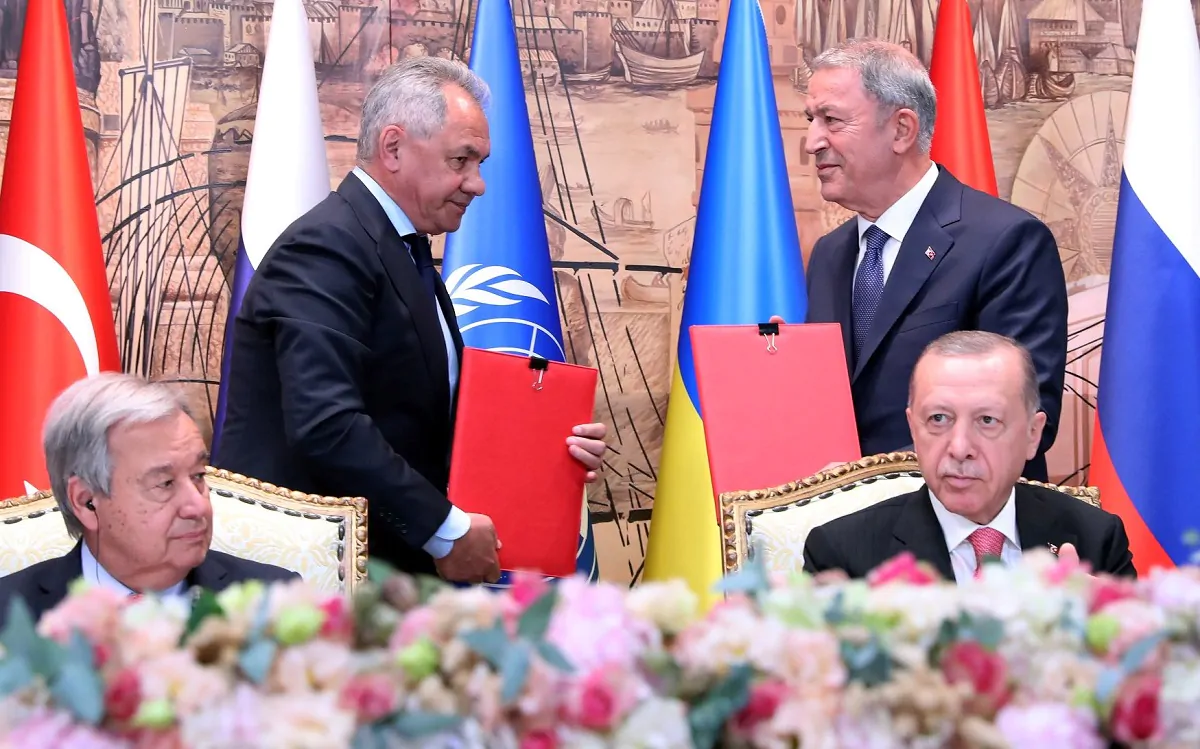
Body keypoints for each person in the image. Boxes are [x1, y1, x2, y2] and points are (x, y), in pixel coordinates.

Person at [214, 56, 608, 584]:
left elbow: (422, 415)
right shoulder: (327, 246)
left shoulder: (400, 248)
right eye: (461, 160)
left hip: (381, 583)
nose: (477, 184)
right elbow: (326, 424)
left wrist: (549, 448)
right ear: (394, 147)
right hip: (312, 590)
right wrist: (445, 531)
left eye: (479, 163)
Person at [801, 39, 1067, 481]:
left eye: (831, 120)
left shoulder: (1007, 241)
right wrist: (788, 373)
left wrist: (865, 481)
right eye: (811, 120)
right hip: (842, 521)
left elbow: (1022, 416)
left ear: (901, 130)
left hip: (958, 520)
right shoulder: (830, 253)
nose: (812, 142)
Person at [802, 331, 1134, 583]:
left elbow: (1144, 654)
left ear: (1032, 434)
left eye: (987, 420)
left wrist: (1094, 633)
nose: (959, 448)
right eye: (938, 419)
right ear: (913, 429)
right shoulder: (843, 556)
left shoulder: (1095, 539)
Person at [0, 374, 298, 626]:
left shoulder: (275, 605)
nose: (197, 506)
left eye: (198, 476)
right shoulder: (9, 618)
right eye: (164, 484)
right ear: (87, 501)